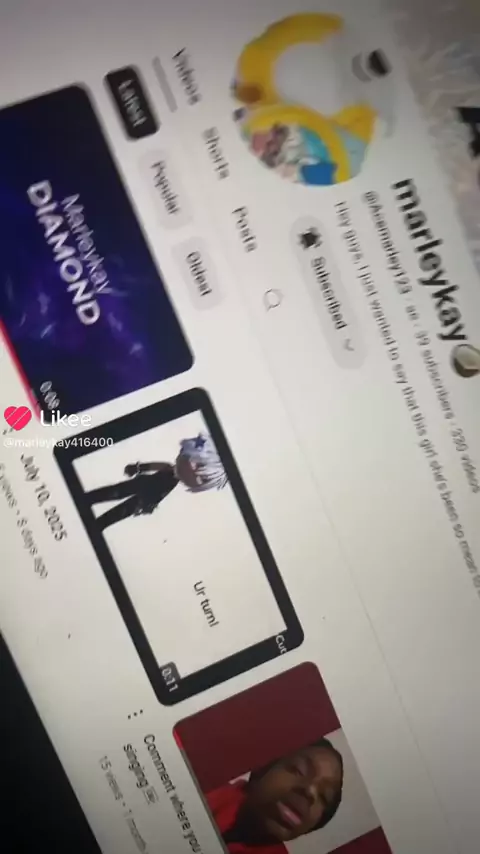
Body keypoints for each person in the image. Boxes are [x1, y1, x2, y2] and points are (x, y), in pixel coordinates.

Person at [206, 739, 344, 854]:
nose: (310, 792)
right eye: (299, 770)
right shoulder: (206, 788)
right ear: (263, 768)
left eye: (324, 796)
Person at [86, 433, 227, 530]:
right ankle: (89, 499)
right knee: (115, 492)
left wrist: (149, 506)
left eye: (200, 478)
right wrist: (138, 468)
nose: (193, 474)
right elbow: (155, 466)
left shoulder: (173, 483)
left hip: (145, 498)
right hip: (140, 485)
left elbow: (161, 495)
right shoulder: (168, 469)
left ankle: (99, 524)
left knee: (122, 511)